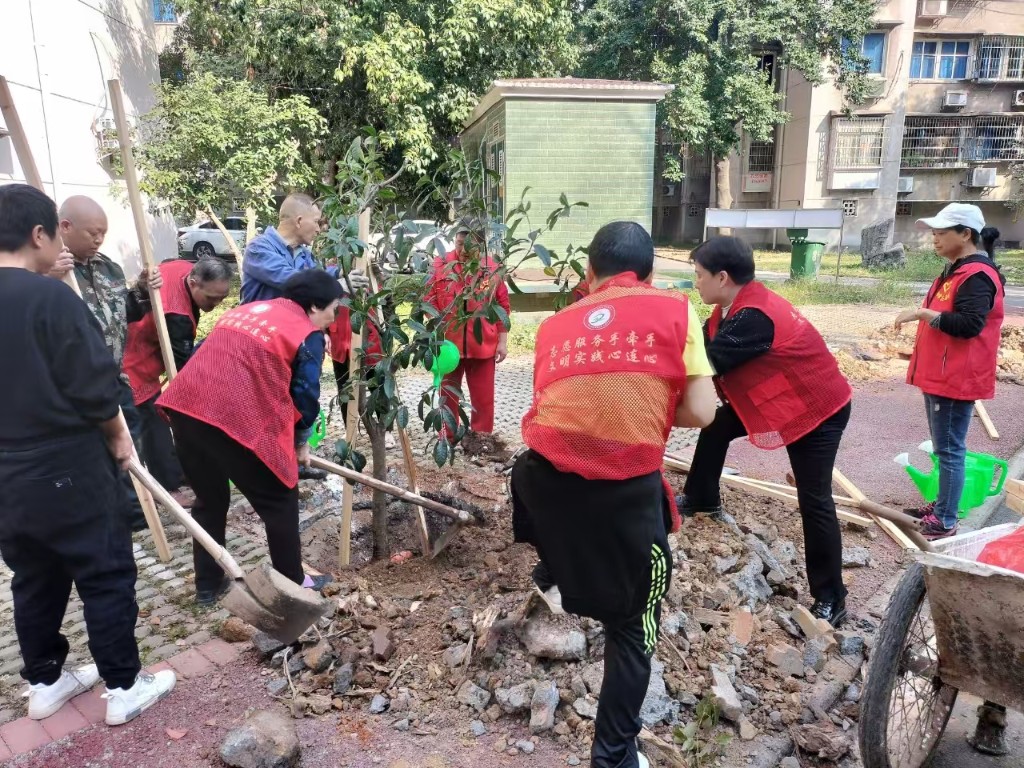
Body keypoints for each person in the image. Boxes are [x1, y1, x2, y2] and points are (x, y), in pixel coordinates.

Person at [512, 221, 716, 768]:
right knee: (632, 629)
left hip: (543, 486)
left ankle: (552, 571)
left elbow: (557, 405)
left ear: (588, 274)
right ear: (649, 273)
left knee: (529, 478)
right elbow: (702, 412)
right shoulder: (675, 310)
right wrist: (645, 400)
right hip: (623, 497)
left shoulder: (555, 325)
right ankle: (614, 758)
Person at [0, 184, 175, 725]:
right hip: (65, 461)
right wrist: (120, 437)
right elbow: (93, 382)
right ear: (39, 235)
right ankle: (124, 685)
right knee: (103, 569)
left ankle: (46, 681)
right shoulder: (52, 298)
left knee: (34, 575)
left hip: (6, 470)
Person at [680, 236, 854, 627]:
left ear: (722, 277)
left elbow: (707, 364)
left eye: (699, 275)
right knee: (717, 425)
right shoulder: (730, 309)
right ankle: (701, 498)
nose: (696, 283)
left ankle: (831, 597)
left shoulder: (754, 317)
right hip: (782, 396)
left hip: (817, 409)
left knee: (815, 500)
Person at [158, 270, 342, 605]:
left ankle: (208, 587)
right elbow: (305, 394)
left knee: (210, 500)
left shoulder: (246, 311)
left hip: (185, 407)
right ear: (314, 306)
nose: (334, 317)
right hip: (230, 418)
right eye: (334, 309)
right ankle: (292, 586)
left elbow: (208, 351)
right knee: (280, 499)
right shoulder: (306, 332)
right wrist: (301, 442)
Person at [45, 195, 165, 527]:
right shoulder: (49, 268)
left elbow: (124, 313)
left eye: (103, 233)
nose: (99, 239)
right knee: (91, 447)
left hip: (113, 375)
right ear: (65, 227)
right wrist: (47, 280)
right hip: (73, 384)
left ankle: (135, 506)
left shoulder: (107, 266)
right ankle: (107, 508)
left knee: (130, 438)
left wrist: (143, 288)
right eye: (92, 233)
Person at [896, 204, 1006, 540]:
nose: (935, 238)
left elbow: (970, 325)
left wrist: (923, 314)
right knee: (946, 447)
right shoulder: (955, 271)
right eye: (934, 232)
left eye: (942, 232)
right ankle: (942, 505)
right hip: (941, 374)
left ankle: (944, 520)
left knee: (949, 448)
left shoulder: (977, 277)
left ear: (966, 234)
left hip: (956, 378)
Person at [240, 192, 367, 477]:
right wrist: (339, 282)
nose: (320, 228)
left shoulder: (305, 254)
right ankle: (264, 468)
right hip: (260, 344)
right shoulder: (260, 249)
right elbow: (294, 283)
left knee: (292, 401)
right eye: (317, 222)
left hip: (291, 343)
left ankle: (292, 459)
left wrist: (342, 271)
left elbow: (318, 274)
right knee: (266, 406)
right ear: (299, 220)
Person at [123, 257, 232, 489]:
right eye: (211, 298)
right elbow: (182, 370)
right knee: (152, 425)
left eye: (222, 298)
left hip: (142, 348)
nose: (216, 304)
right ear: (194, 283)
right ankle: (162, 488)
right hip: (133, 362)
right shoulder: (177, 317)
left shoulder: (184, 267)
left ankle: (172, 475)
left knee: (157, 422)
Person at [424, 220, 511, 435]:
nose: (462, 250)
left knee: (483, 399)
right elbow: (428, 297)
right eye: (458, 243)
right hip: (448, 346)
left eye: (468, 245)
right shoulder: (441, 264)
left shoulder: (492, 270)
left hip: (482, 344)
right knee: (448, 395)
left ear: (480, 246)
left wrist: (502, 341)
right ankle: (449, 434)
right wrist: (438, 323)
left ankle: (481, 437)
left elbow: (502, 306)